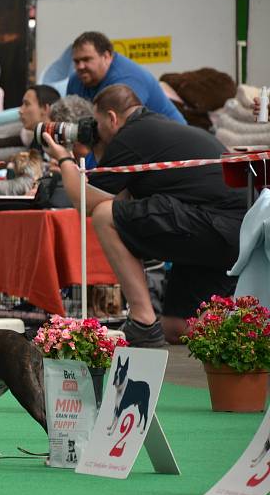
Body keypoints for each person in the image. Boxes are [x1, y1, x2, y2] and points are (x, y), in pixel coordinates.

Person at [42, 84, 246, 347]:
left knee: (106, 215)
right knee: (175, 327)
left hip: (215, 225)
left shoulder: (133, 135)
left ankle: (142, 320)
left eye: (98, 124)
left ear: (113, 118)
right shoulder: (153, 130)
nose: (96, 131)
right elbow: (121, 197)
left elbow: (86, 203)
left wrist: (64, 159)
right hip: (229, 232)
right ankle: (242, 334)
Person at [67, 31, 185, 125]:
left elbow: (120, 130)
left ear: (106, 56)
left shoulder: (126, 81)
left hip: (174, 144)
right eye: (76, 61)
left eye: (87, 59)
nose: (80, 66)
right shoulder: (76, 80)